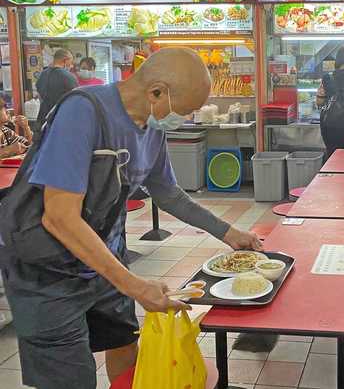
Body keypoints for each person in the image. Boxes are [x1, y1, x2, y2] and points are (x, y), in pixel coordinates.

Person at [0, 48, 262, 389]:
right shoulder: (83, 112)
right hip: (44, 271)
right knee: (71, 377)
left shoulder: (153, 126)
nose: (184, 118)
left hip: (104, 257)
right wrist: (135, 286)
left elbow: (167, 192)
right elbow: (60, 218)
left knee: (124, 342)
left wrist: (227, 232)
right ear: (156, 91)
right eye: (184, 111)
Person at [36, 48, 77, 128]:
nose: (71, 66)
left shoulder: (42, 74)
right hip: (62, 118)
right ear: (65, 61)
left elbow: (40, 95)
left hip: (43, 117)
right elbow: (75, 98)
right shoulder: (68, 77)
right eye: (71, 62)